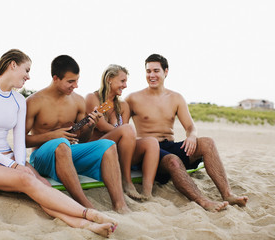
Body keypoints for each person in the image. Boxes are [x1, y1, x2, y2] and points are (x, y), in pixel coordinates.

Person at [0, 49, 118, 237]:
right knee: (25, 179)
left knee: (43, 184)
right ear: (13, 65)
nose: (29, 76)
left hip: (9, 157)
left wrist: (20, 163)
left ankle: (86, 225)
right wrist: (13, 165)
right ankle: (89, 213)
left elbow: (19, 142)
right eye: (26, 70)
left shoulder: (19, 100)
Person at [125, 54, 248, 212]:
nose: (151, 75)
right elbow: (122, 128)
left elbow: (190, 126)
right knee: (173, 160)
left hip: (169, 144)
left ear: (166, 72)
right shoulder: (133, 98)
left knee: (207, 143)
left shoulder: (176, 98)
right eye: (148, 71)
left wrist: (191, 136)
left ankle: (227, 194)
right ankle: (203, 201)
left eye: (156, 70)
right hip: (149, 152)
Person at [25, 55, 130, 214]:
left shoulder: (78, 101)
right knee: (60, 144)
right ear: (55, 78)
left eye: (77, 80)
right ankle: (86, 206)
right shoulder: (34, 101)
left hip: (68, 152)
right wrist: (52, 136)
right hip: (41, 157)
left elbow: (82, 139)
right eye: (70, 81)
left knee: (108, 145)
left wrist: (90, 126)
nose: (75, 85)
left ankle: (120, 205)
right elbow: (22, 140)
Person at [85, 64, 160, 201]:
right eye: (122, 81)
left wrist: (125, 133)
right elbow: (101, 126)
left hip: (119, 152)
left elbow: (126, 135)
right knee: (127, 129)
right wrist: (123, 131)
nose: (125, 85)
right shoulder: (92, 98)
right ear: (109, 79)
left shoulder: (123, 105)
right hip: (98, 151)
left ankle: (147, 192)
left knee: (152, 142)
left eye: (126, 81)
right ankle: (126, 180)